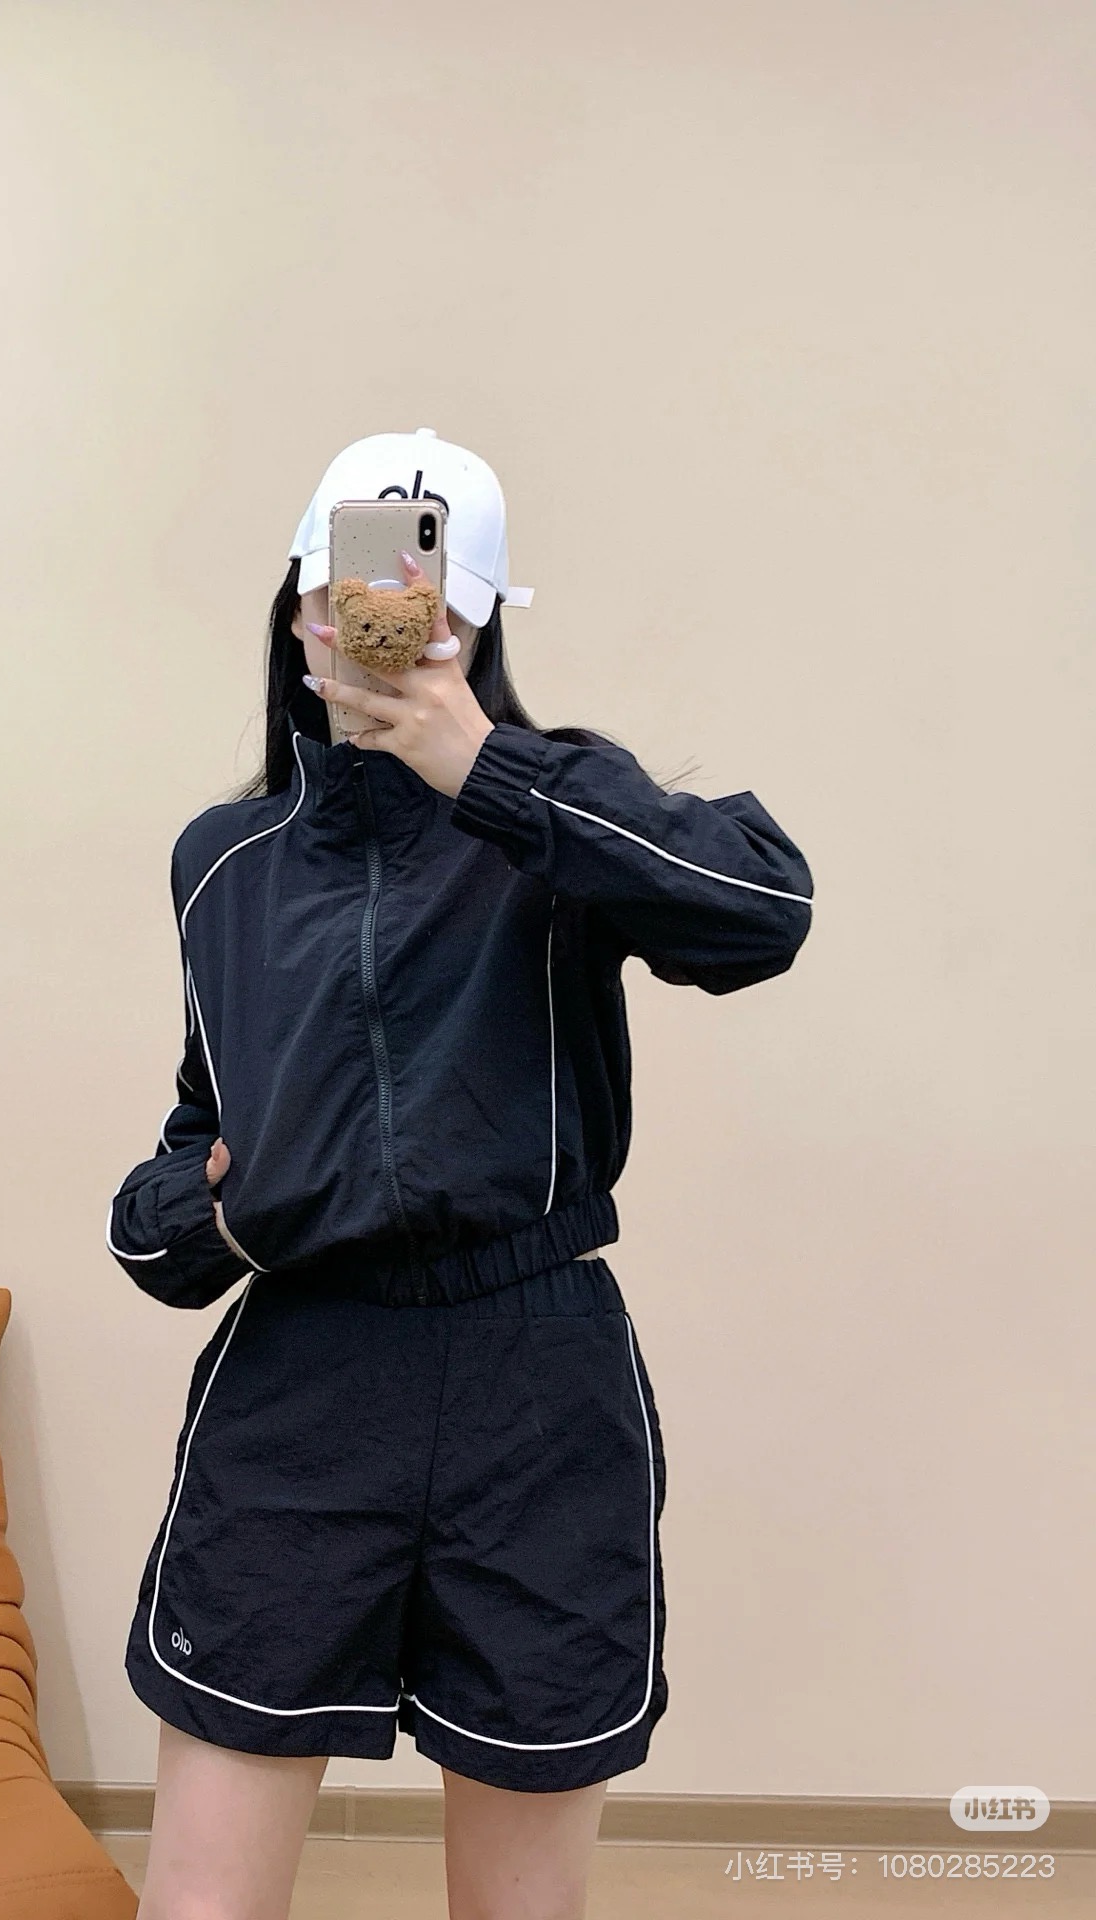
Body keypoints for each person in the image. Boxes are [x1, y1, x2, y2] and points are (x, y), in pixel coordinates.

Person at [106, 427, 814, 1920]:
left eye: (416, 597)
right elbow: (196, 1141)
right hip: (301, 1389)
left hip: (534, 1387)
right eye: (337, 589)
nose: (365, 621)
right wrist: (205, 1212)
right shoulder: (224, 860)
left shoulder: (558, 819)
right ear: (298, 605)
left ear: (474, 620)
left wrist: (483, 768)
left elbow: (762, 910)